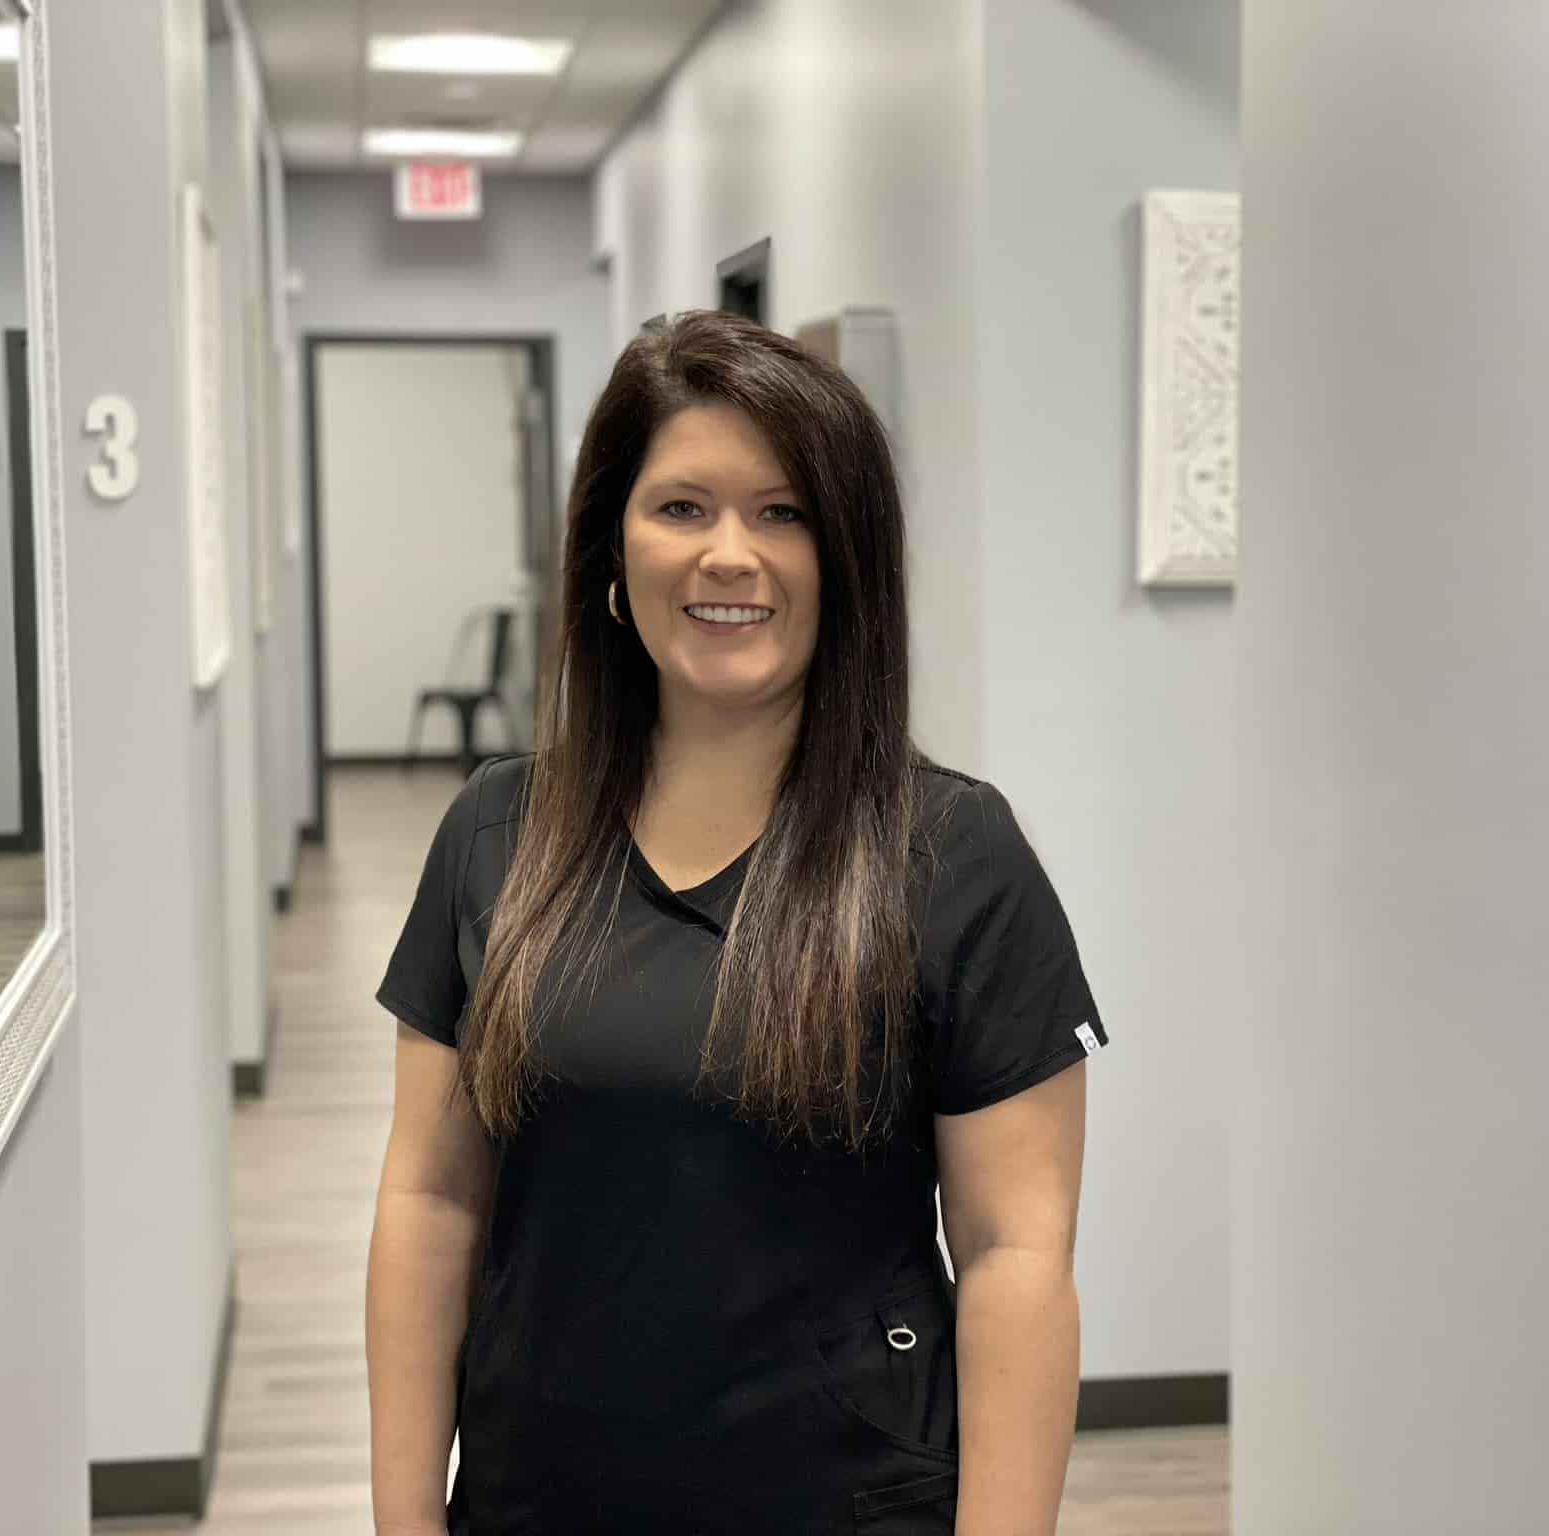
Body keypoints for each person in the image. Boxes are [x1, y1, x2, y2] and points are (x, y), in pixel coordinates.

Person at [366, 309, 1109, 1535]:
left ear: (846, 559)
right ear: (611, 547)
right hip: (535, 1497)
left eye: (783, 513)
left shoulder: (952, 856)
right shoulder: (497, 832)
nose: (728, 555)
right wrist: (404, 1521)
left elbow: (1014, 1254)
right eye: (681, 507)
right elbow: (430, 1200)